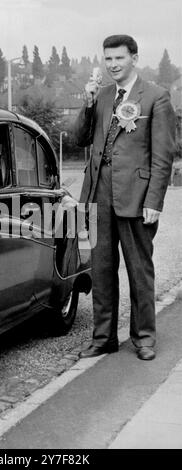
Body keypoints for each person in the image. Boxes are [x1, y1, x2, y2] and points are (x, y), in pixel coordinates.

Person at [73, 34, 176, 360]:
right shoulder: (101, 96)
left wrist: (153, 202)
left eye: (119, 58)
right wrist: (87, 103)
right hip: (99, 195)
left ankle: (144, 338)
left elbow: (163, 156)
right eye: (108, 59)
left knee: (139, 271)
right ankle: (103, 338)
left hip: (136, 195)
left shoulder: (156, 97)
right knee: (101, 271)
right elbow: (79, 139)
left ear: (133, 58)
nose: (113, 65)